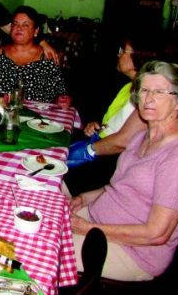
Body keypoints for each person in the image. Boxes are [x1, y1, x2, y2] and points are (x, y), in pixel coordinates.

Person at [70, 60, 178, 281]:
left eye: (160, 92)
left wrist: (89, 228)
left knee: (37, 245)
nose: (148, 98)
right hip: (98, 221)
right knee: (33, 219)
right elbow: (122, 187)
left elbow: (156, 233)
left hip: (133, 252)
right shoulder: (145, 135)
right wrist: (84, 198)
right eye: (144, 90)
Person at [65, 36, 160, 195]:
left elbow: (123, 141)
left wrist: (88, 150)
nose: (119, 54)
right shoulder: (130, 87)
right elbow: (115, 123)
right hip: (101, 146)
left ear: (139, 56)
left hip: (113, 162)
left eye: (123, 51)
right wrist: (96, 126)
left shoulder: (147, 95)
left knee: (56, 174)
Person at [0, 5, 67, 103]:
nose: (18, 28)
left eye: (25, 25)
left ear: (36, 31)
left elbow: (59, 95)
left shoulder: (47, 58)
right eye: (15, 24)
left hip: (39, 115)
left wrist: (62, 101)